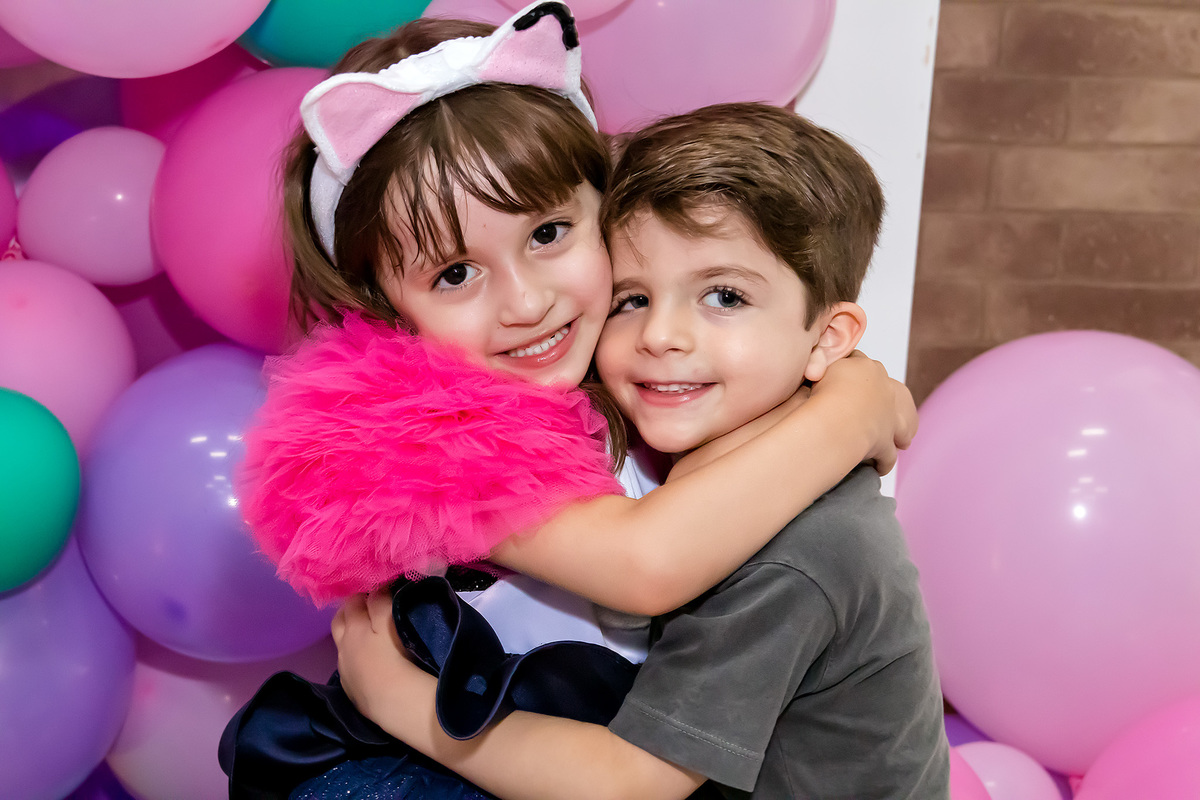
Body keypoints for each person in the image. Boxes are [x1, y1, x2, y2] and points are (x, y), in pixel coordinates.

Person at [220, 4, 917, 797]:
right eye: (455, 274)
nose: (526, 302)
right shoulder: (415, 432)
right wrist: (849, 411)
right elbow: (644, 565)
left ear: (606, 210)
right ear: (384, 306)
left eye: (548, 234)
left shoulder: (630, 376)